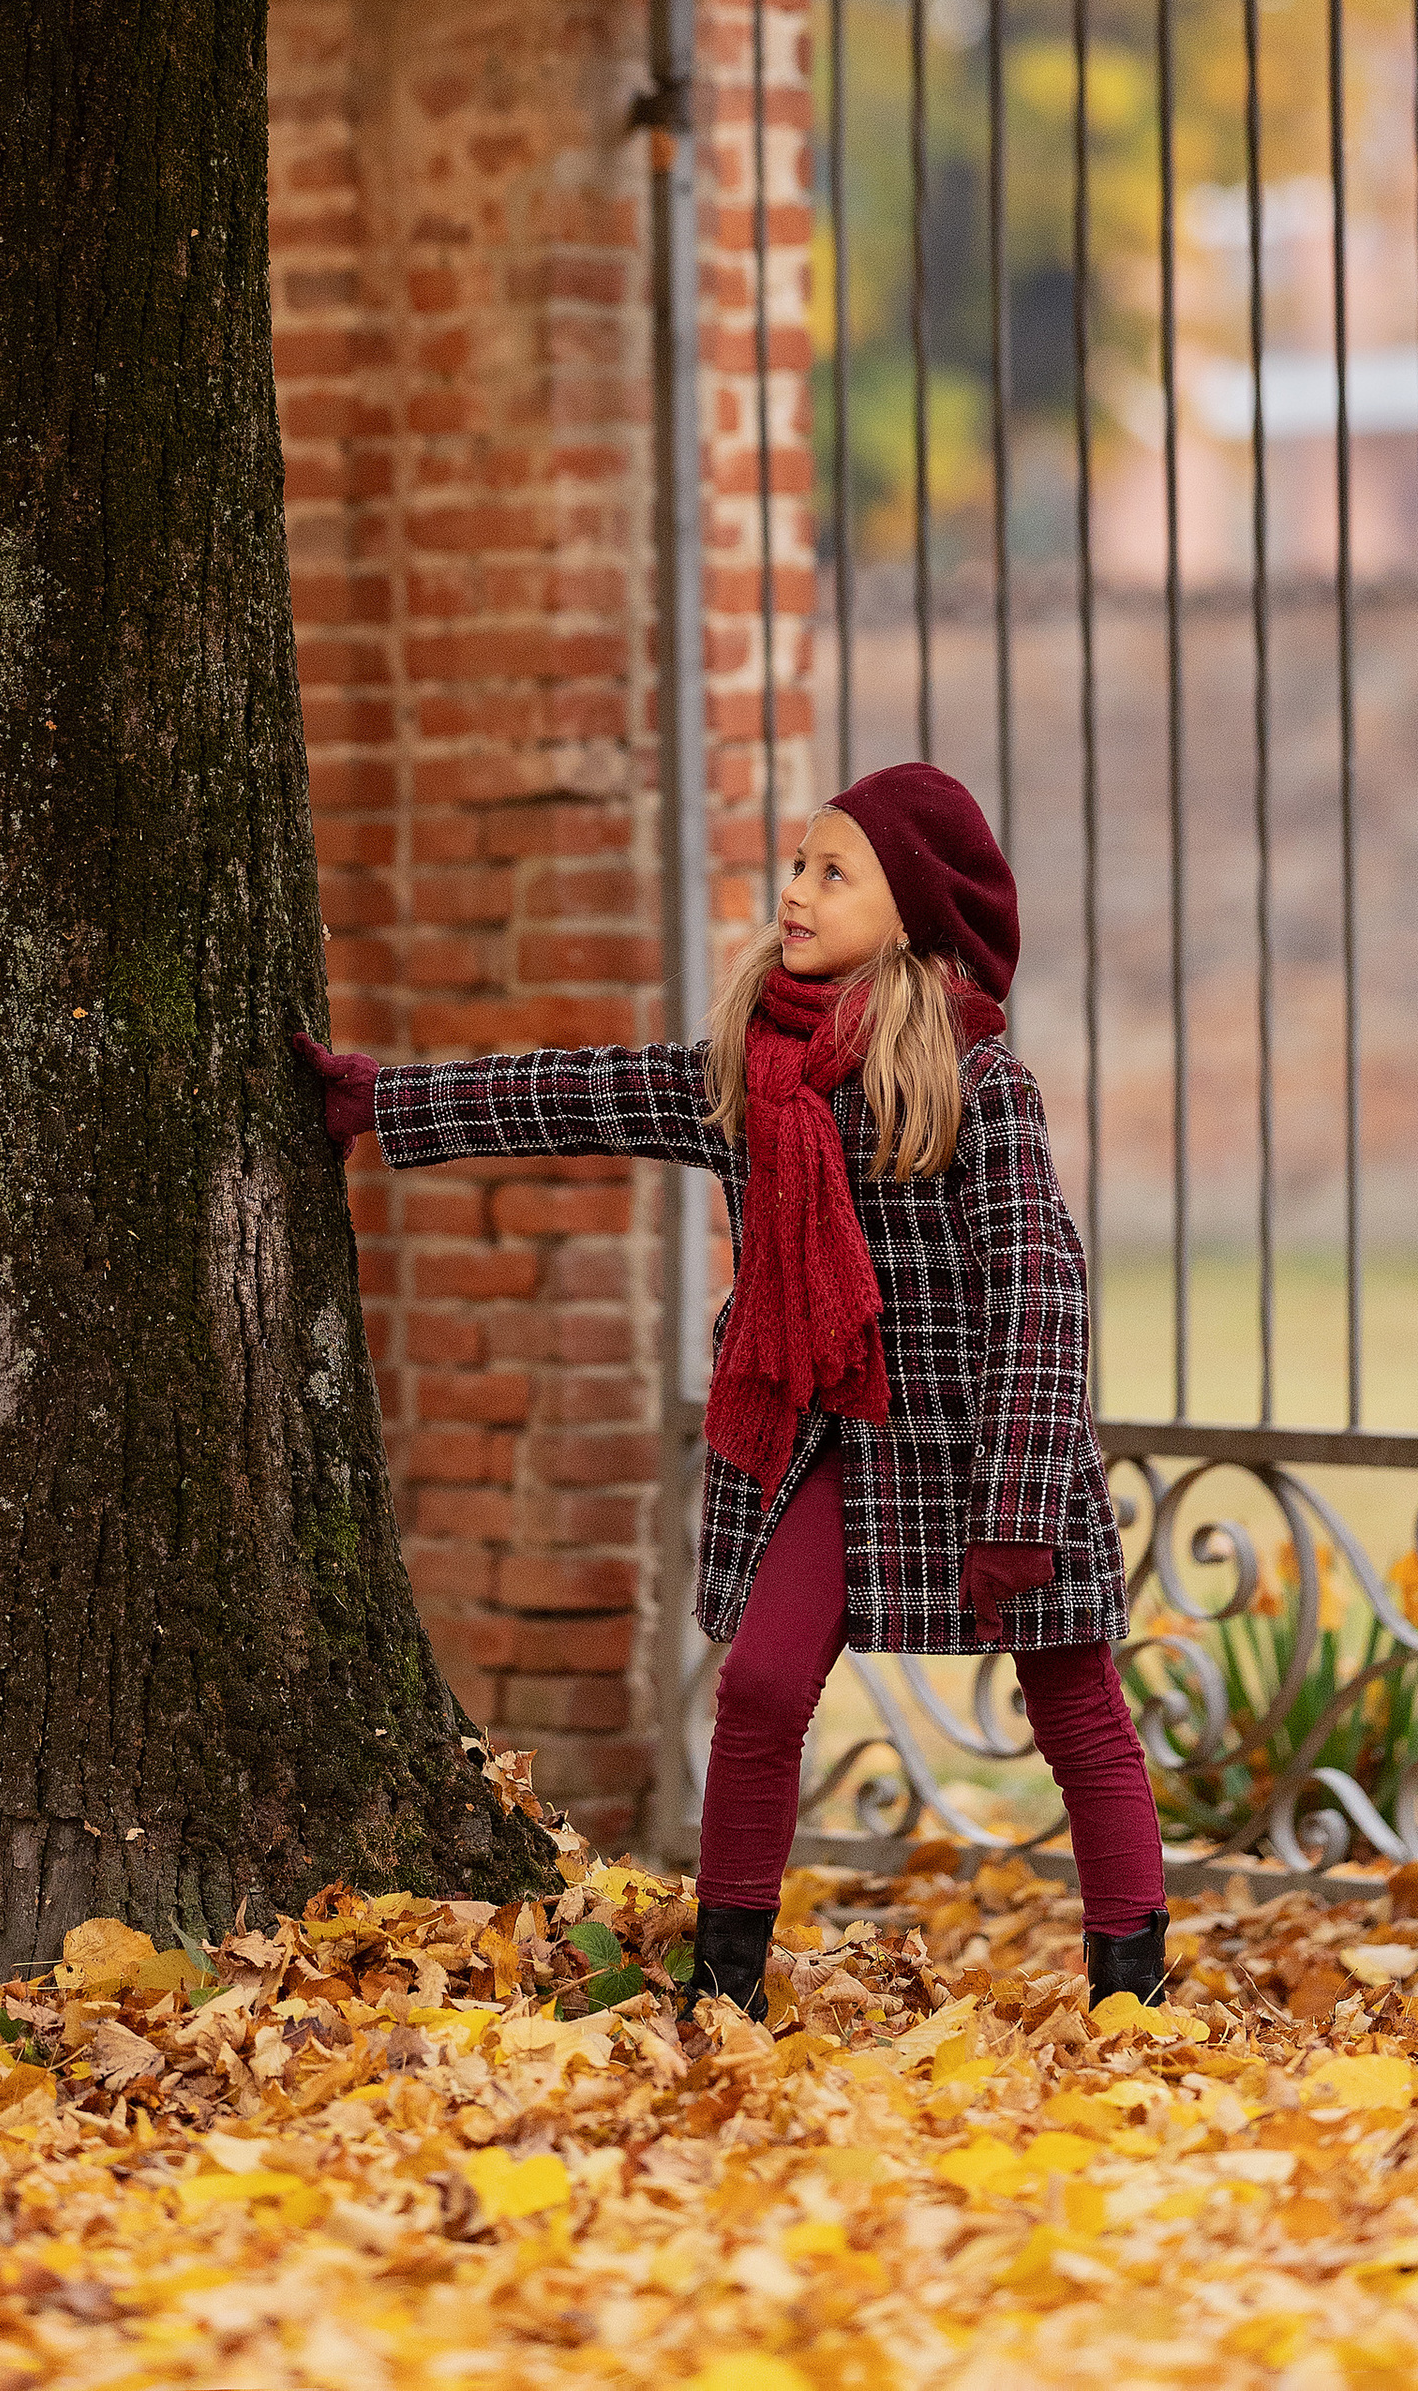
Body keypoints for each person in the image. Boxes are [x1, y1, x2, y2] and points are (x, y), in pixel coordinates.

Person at [294, 761, 1169, 2016]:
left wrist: (1022, 1504)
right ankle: (726, 1988)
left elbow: (1043, 1295)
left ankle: (1131, 1990)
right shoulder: (752, 1076)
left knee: (1075, 1704)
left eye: (831, 871)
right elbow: (581, 1093)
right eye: (796, 865)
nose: (794, 892)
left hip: (983, 1452)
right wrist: (383, 1103)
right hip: (826, 1433)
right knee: (759, 1687)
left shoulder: (985, 1094)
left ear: (912, 913)